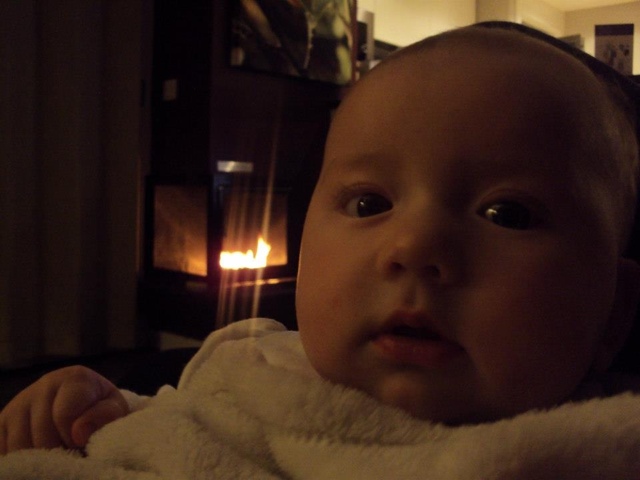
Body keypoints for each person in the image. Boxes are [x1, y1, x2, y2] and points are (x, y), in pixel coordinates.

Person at [2, 21, 640, 478]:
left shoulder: (598, 445)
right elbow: (176, 429)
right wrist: (96, 410)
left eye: (507, 214)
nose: (414, 246)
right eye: (368, 204)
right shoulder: (259, 369)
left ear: (613, 311)